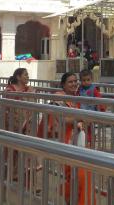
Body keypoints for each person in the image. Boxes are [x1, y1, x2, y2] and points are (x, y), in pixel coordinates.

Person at [38, 72, 93, 205]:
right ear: (63, 84)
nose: (74, 84)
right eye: (70, 82)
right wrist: (81, 117)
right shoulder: (58, 98)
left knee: (79, 175)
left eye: (75, 81)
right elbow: (61, 119)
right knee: (76, 175)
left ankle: (72, 199)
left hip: (76, 141)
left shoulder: (75, 98)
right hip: (65, 142)